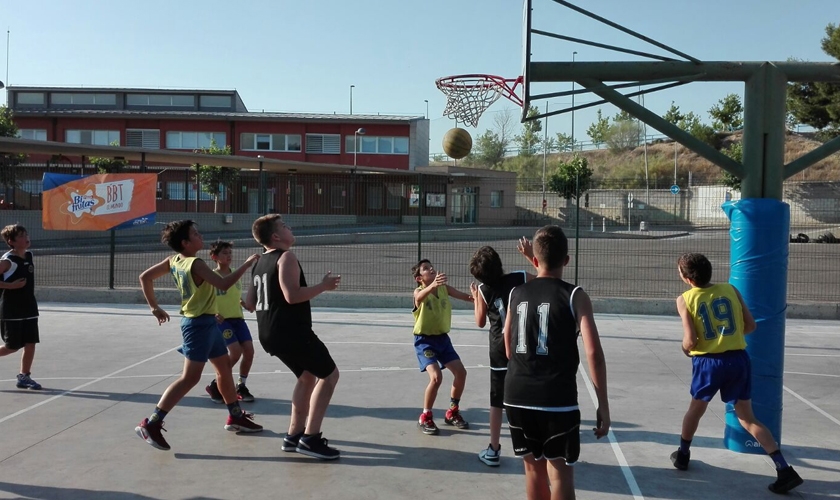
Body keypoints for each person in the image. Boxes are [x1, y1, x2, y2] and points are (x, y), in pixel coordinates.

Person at [672, 252, 803, 494]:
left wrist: (685, 349)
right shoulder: (730, 289)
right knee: (748, 418)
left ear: (687, 278)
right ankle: (784, 469)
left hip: (709, 363)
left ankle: (683, 454)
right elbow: (751, 325)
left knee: (695, 411)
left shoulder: (685, 299)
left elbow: (690, 341)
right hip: (738, 360)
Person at [135, 220, 263, 451]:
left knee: (224, 368)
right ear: (185, 242)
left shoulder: (174, 260)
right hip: (197, 325)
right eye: (195, 233)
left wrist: (154, 306)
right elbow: (223, 283)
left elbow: (145, 277)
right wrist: (245, 266)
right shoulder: (196, 264)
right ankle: (151, 424)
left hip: (208, 321)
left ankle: (235, 416)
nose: (200, 235)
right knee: (190, 378)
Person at [503, 225, 610, 500]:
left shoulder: (516, 293)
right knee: (560, 472)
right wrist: (603, 405)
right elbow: (594, 353)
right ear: (567, 260)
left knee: (533, 472)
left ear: (534, 260)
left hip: (517, 393)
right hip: (556, 398)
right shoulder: (576, 296)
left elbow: (507, 343)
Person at [245, 214, 342, 460]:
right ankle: (311, 438)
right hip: (291, 331)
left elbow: (249, 303)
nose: (290, 228)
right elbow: (292, 296)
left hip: (269, 333)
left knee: (307, 377)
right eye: (285, 226)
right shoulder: (285, 256)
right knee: (329, 376)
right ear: (276, 236)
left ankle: (293, 435)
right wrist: (323, 286)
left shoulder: (259, 263)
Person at [469, 239, 536, 466]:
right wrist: (529, 254)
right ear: (499, 263)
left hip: (498, 349)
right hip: (521, 345)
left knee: (497, 402)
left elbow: (479, 321)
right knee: (526, 398)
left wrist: (476, 298)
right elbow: (546, 277)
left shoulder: (482, 289)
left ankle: (494, 450)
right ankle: (535, 447)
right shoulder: (519, 278)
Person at [411, 258, 474, 436]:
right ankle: (425, 416)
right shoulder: (419, 291)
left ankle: (452, 411)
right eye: (425, 269)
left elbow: (465, 297)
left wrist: (479, 296)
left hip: (443, 339)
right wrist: (432, 286)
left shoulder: (444, 289)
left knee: (461, 373)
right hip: (425, 341)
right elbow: (419, 298)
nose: (431, 269)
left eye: (431, 267)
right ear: (419, 278)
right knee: (436, 377)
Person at [205, 240, 257, 404]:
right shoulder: (211, 277)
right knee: (235, 352)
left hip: (238, 318)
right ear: (215, 257)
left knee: (249, 351)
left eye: (230, 253)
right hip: (222, 320)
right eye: (224, 253)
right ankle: (216, 384)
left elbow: (234, 295)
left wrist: (244, 304)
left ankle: (241, 385)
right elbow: (206, 299)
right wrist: (213, 313)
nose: (228, 256)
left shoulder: (235, 273)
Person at [0, 224, 43, 390]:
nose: (26, 238)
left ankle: (24, 376)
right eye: (21, 236)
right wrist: (10, 286)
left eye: (26, 234)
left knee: (30, 343)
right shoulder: (7, 261)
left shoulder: (29, 256)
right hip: (11, 310)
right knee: (12, 346)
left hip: (29, 307)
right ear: (11, 241)